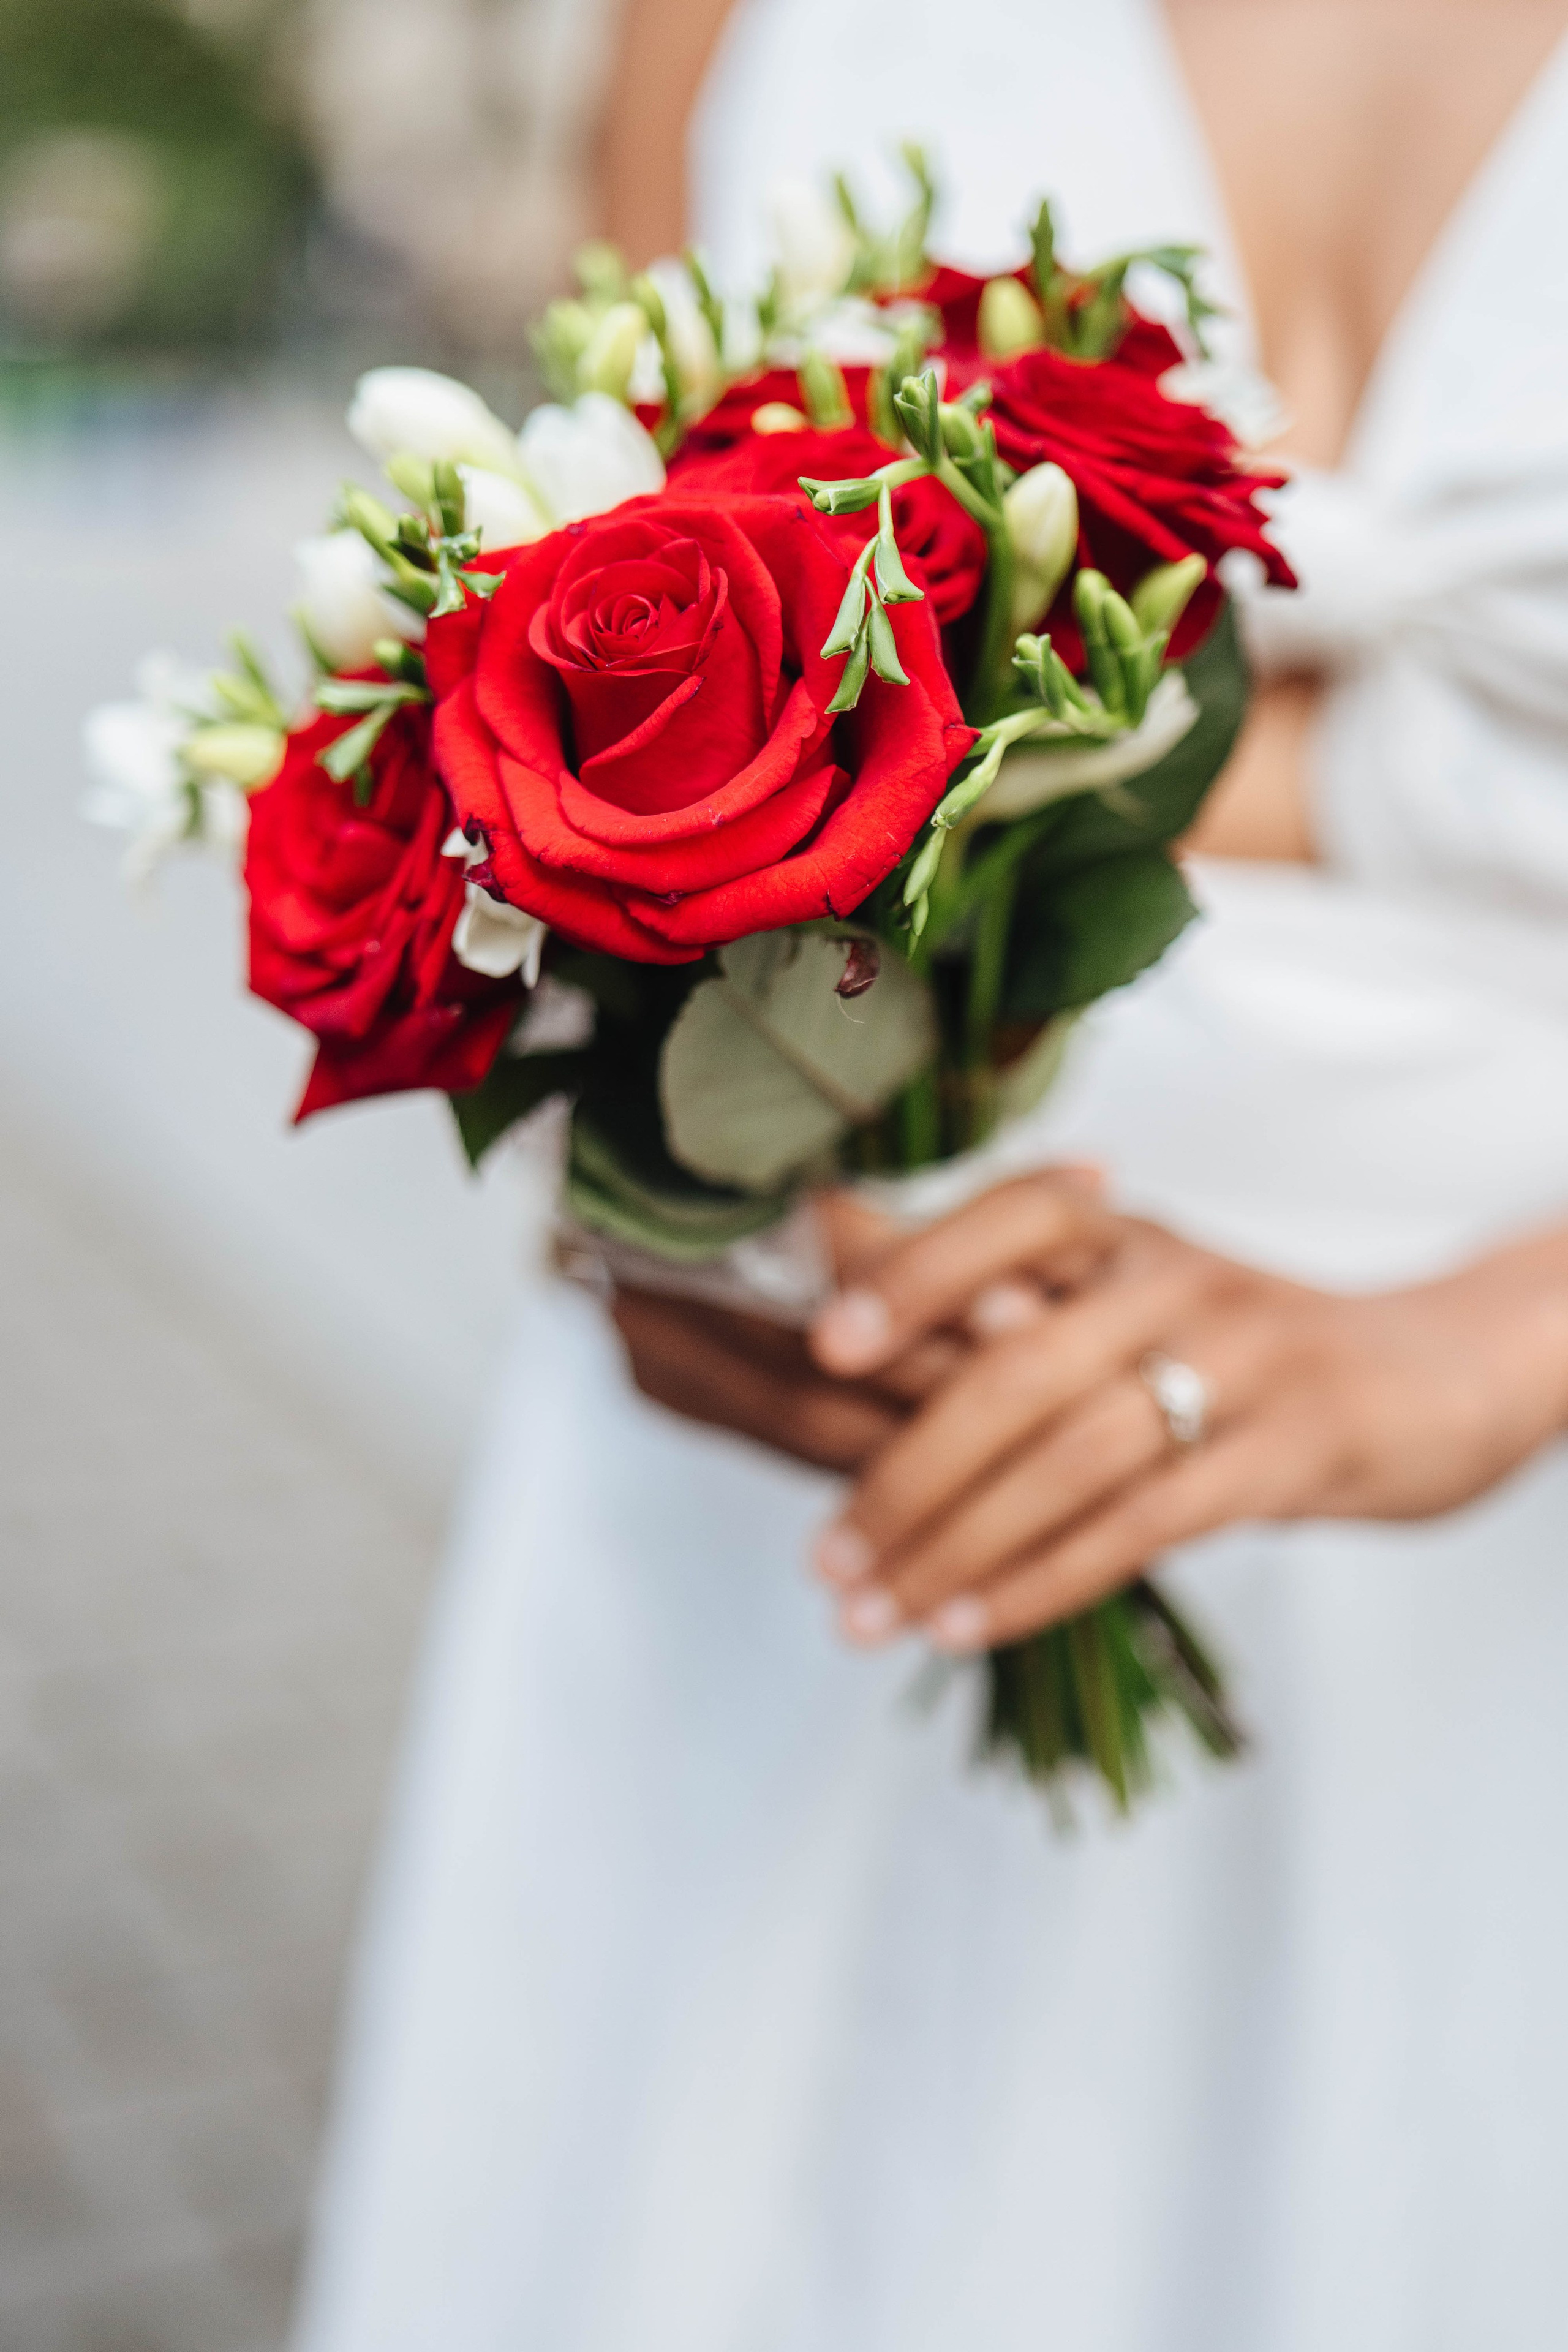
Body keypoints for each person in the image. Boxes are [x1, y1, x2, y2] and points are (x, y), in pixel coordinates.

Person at [292, 4, 1568, 2346]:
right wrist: (636, 1183)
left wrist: (1509, 1341)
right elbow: (572, 610)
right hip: (803, 1487)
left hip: (1508, 1577)